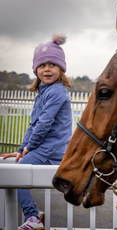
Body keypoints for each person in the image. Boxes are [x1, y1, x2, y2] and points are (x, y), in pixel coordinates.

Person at [1, 34, 72, 230]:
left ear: (61, 69)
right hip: (43, 147)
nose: (47, 69)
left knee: (17, 174)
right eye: (42, 65)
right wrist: (22, 148)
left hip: (51, 148)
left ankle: (32, 217)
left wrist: (29, 148)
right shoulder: (43, 91)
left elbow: (44, 123)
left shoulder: (57, 91)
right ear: (36, 70)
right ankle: (35, 215)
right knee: (16, 168)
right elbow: (33, 124)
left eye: (52, 65)